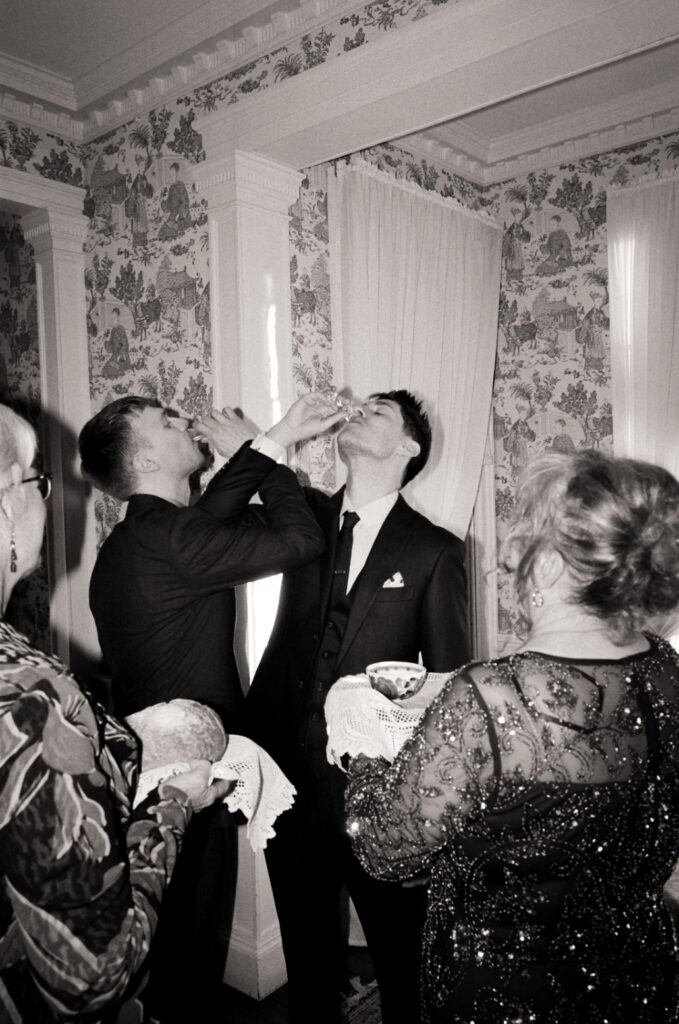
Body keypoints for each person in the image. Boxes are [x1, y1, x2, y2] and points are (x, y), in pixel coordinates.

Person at [346, 449, 679, 1024]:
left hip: (506, 992)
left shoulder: (491, 697)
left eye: (525, 529)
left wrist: (363, 753)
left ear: (547, 566)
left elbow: (383, 848)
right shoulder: (665, 668)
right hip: (635, 971)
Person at [78, 391, 343, 1024]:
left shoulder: (148, 534)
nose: (181, 418)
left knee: (170, 944)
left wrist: (273, 437)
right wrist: (271, 451)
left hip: (154, 770)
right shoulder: (171, 537)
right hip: (185, 780)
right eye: (165, 420)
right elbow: (301, 538)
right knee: (187, 955)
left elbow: (214, 512)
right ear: (146, 458)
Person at [0, 402, 232, 1023]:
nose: (48, 498)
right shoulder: (33, 701)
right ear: (8, 506)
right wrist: (177, 802)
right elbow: (91, 974)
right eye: (37, 481)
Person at [247, 389, 470, 1024]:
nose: (360, 410)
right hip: (283, 774)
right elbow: (222, 516)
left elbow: (448, 688)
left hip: (375, 791)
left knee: (401, 957)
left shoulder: (434, 549)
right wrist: (273, 438)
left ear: (408, 447)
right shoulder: (304, 519)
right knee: (306, 956)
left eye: (380, 411)